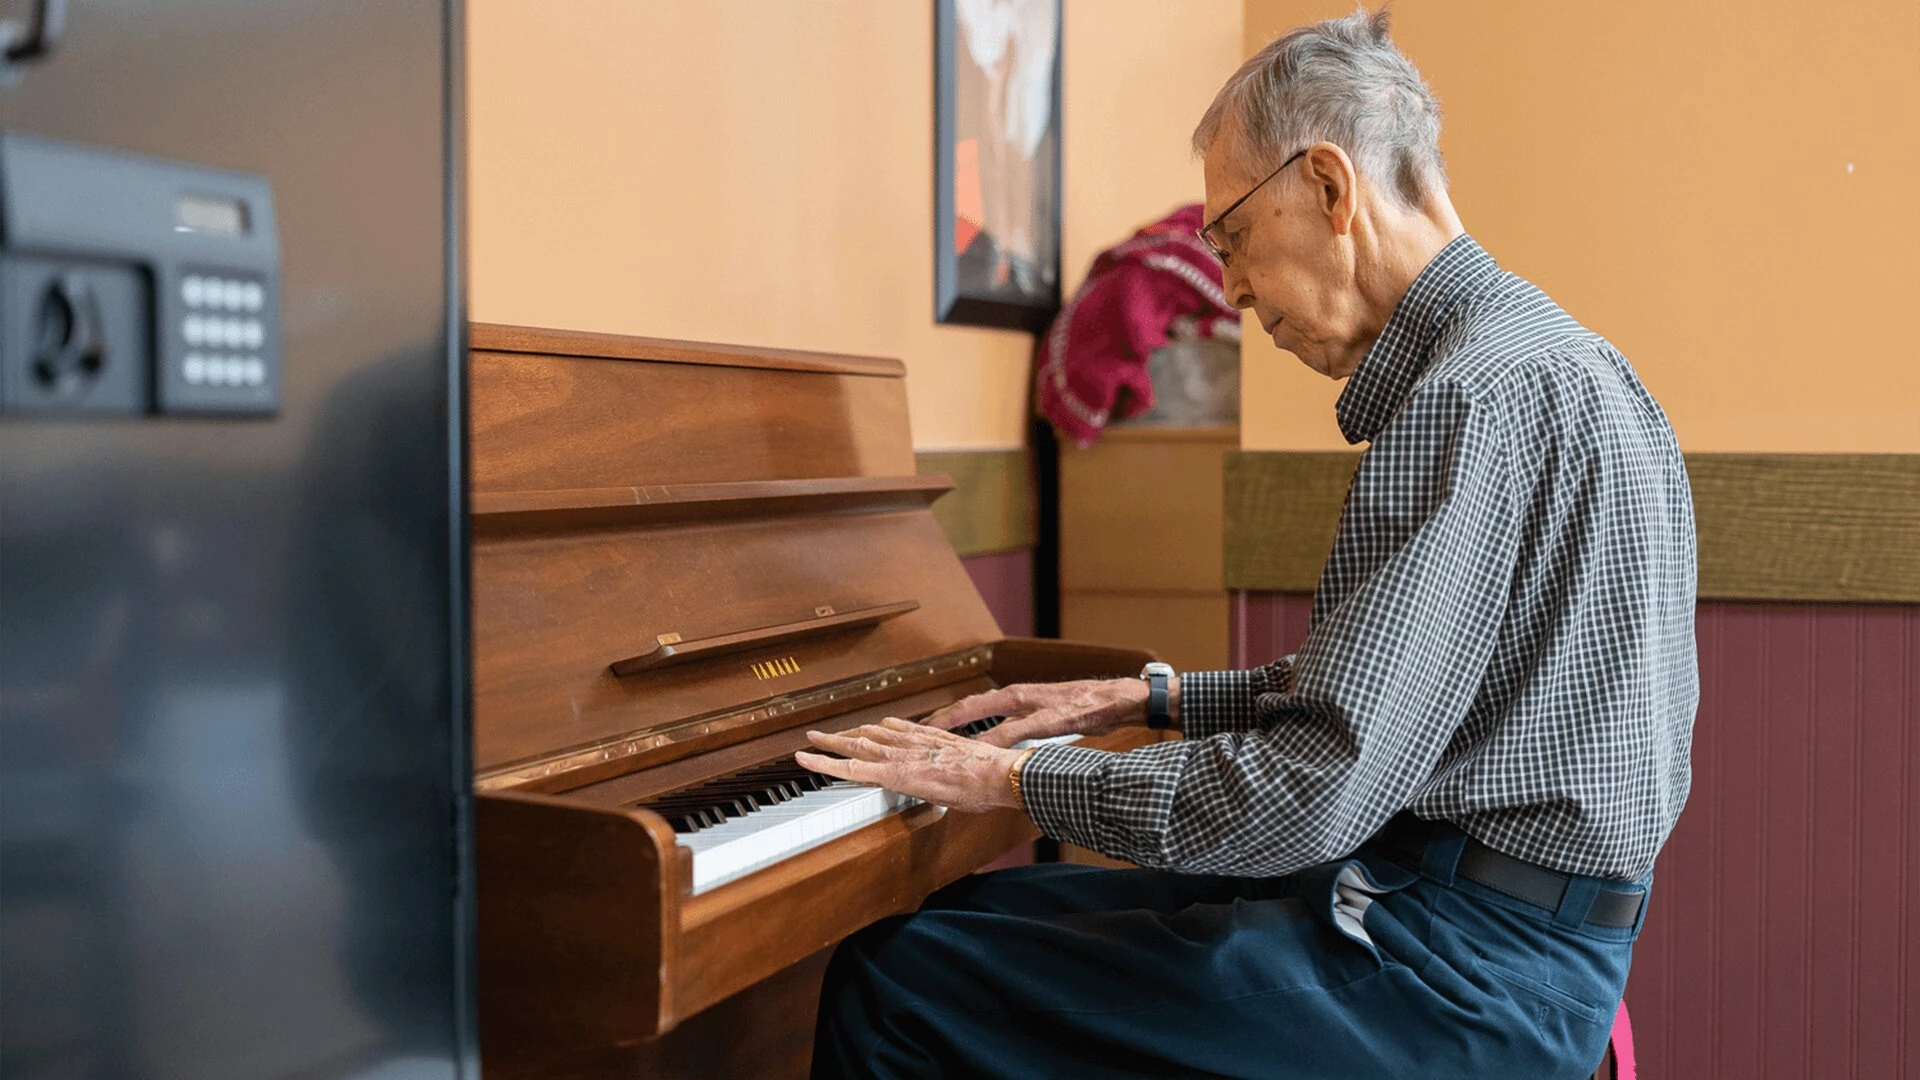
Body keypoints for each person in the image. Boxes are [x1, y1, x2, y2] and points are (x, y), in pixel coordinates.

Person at [797, 10, 1697, 1078]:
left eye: (1230, 238)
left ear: (1327, 186)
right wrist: (1149, 700)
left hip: (1450, 969)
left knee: (905, 977)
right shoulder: (1566, 364)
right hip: (1512, 938)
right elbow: (1403, 693)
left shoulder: (1462, 403)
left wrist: (1017, 780)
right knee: (993, 921)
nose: (1227, 290)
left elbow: (1312, 793)